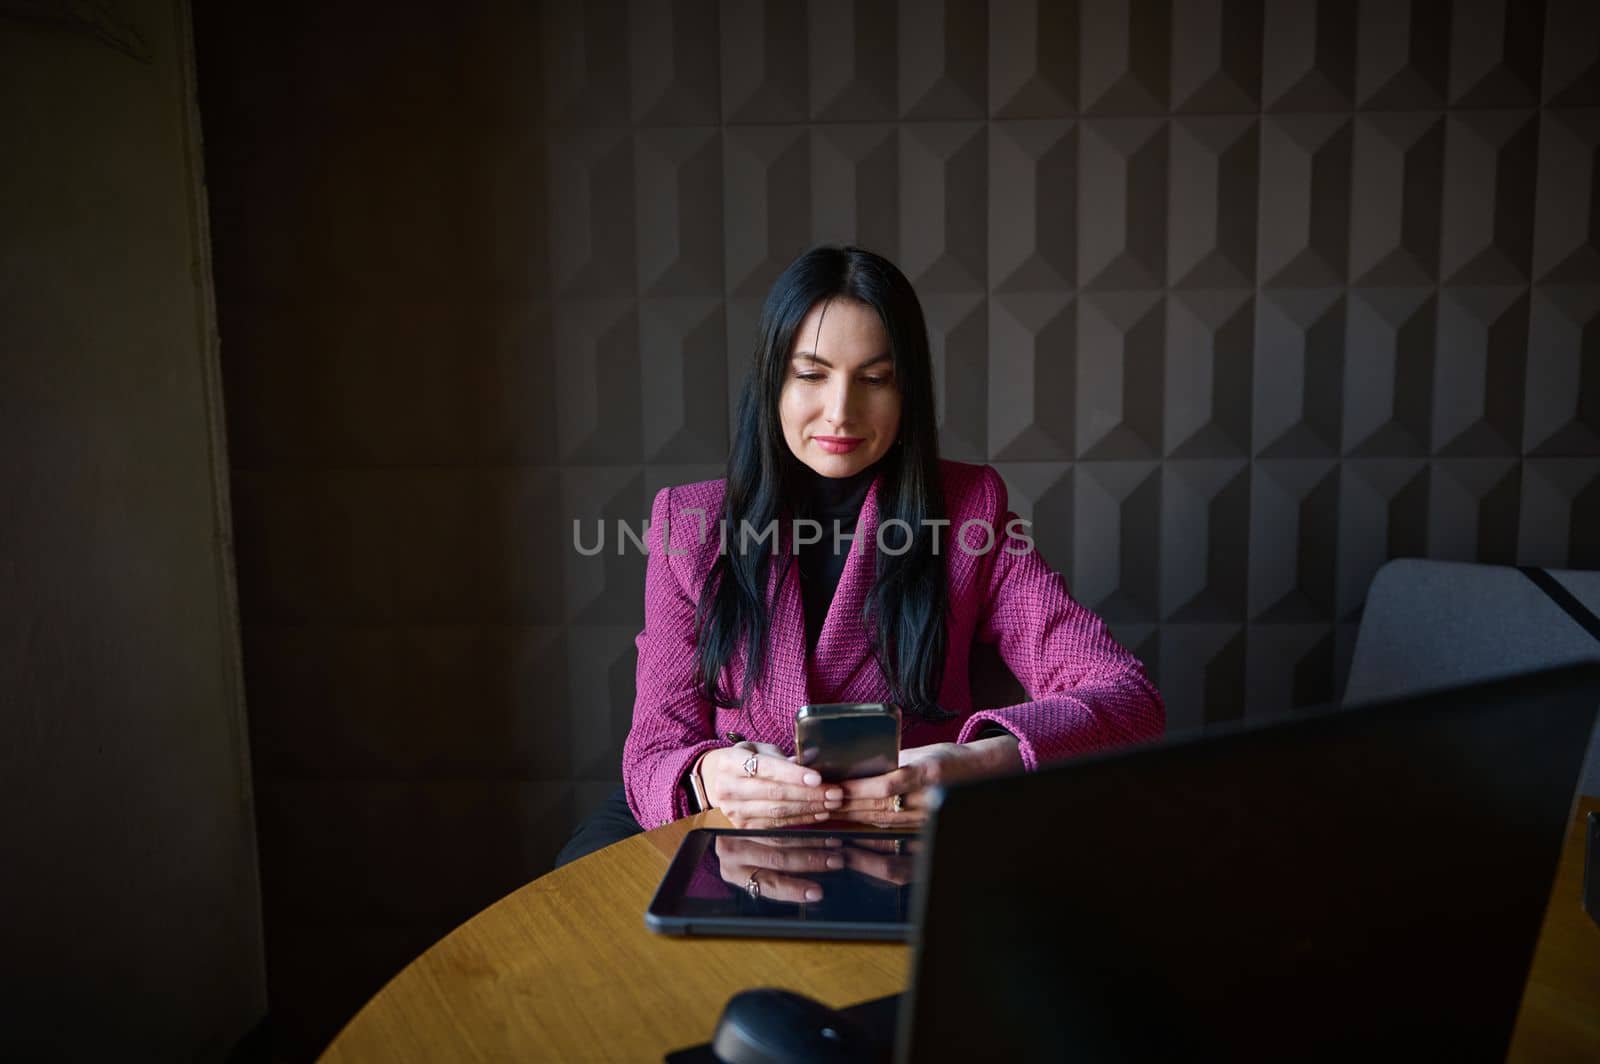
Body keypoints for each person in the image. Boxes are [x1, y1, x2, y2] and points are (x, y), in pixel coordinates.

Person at [553, 246, 1163, 868]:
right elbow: (655, 748)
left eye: (874, 379)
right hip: (738, 841)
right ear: (773, 383)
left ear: (907, 392)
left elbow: (1128, 699)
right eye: (811, 374)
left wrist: (978, 760)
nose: (841, 411)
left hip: (900, 845)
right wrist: (707, 772)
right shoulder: (689, 524)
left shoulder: (971, 511)